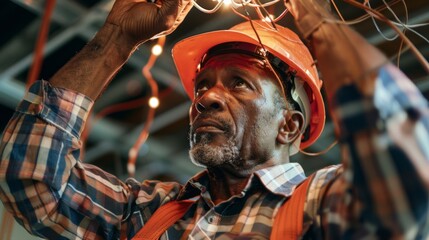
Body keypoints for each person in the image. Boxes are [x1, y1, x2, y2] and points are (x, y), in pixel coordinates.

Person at [0, 0, 428, 238]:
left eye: (240, 83)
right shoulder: (148, 213)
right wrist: (118, 37)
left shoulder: (322, 204)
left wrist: (314, 15)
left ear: (289, 126)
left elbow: (410, 173)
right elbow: (30, 178)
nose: (206, 98)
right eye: (202, 86)